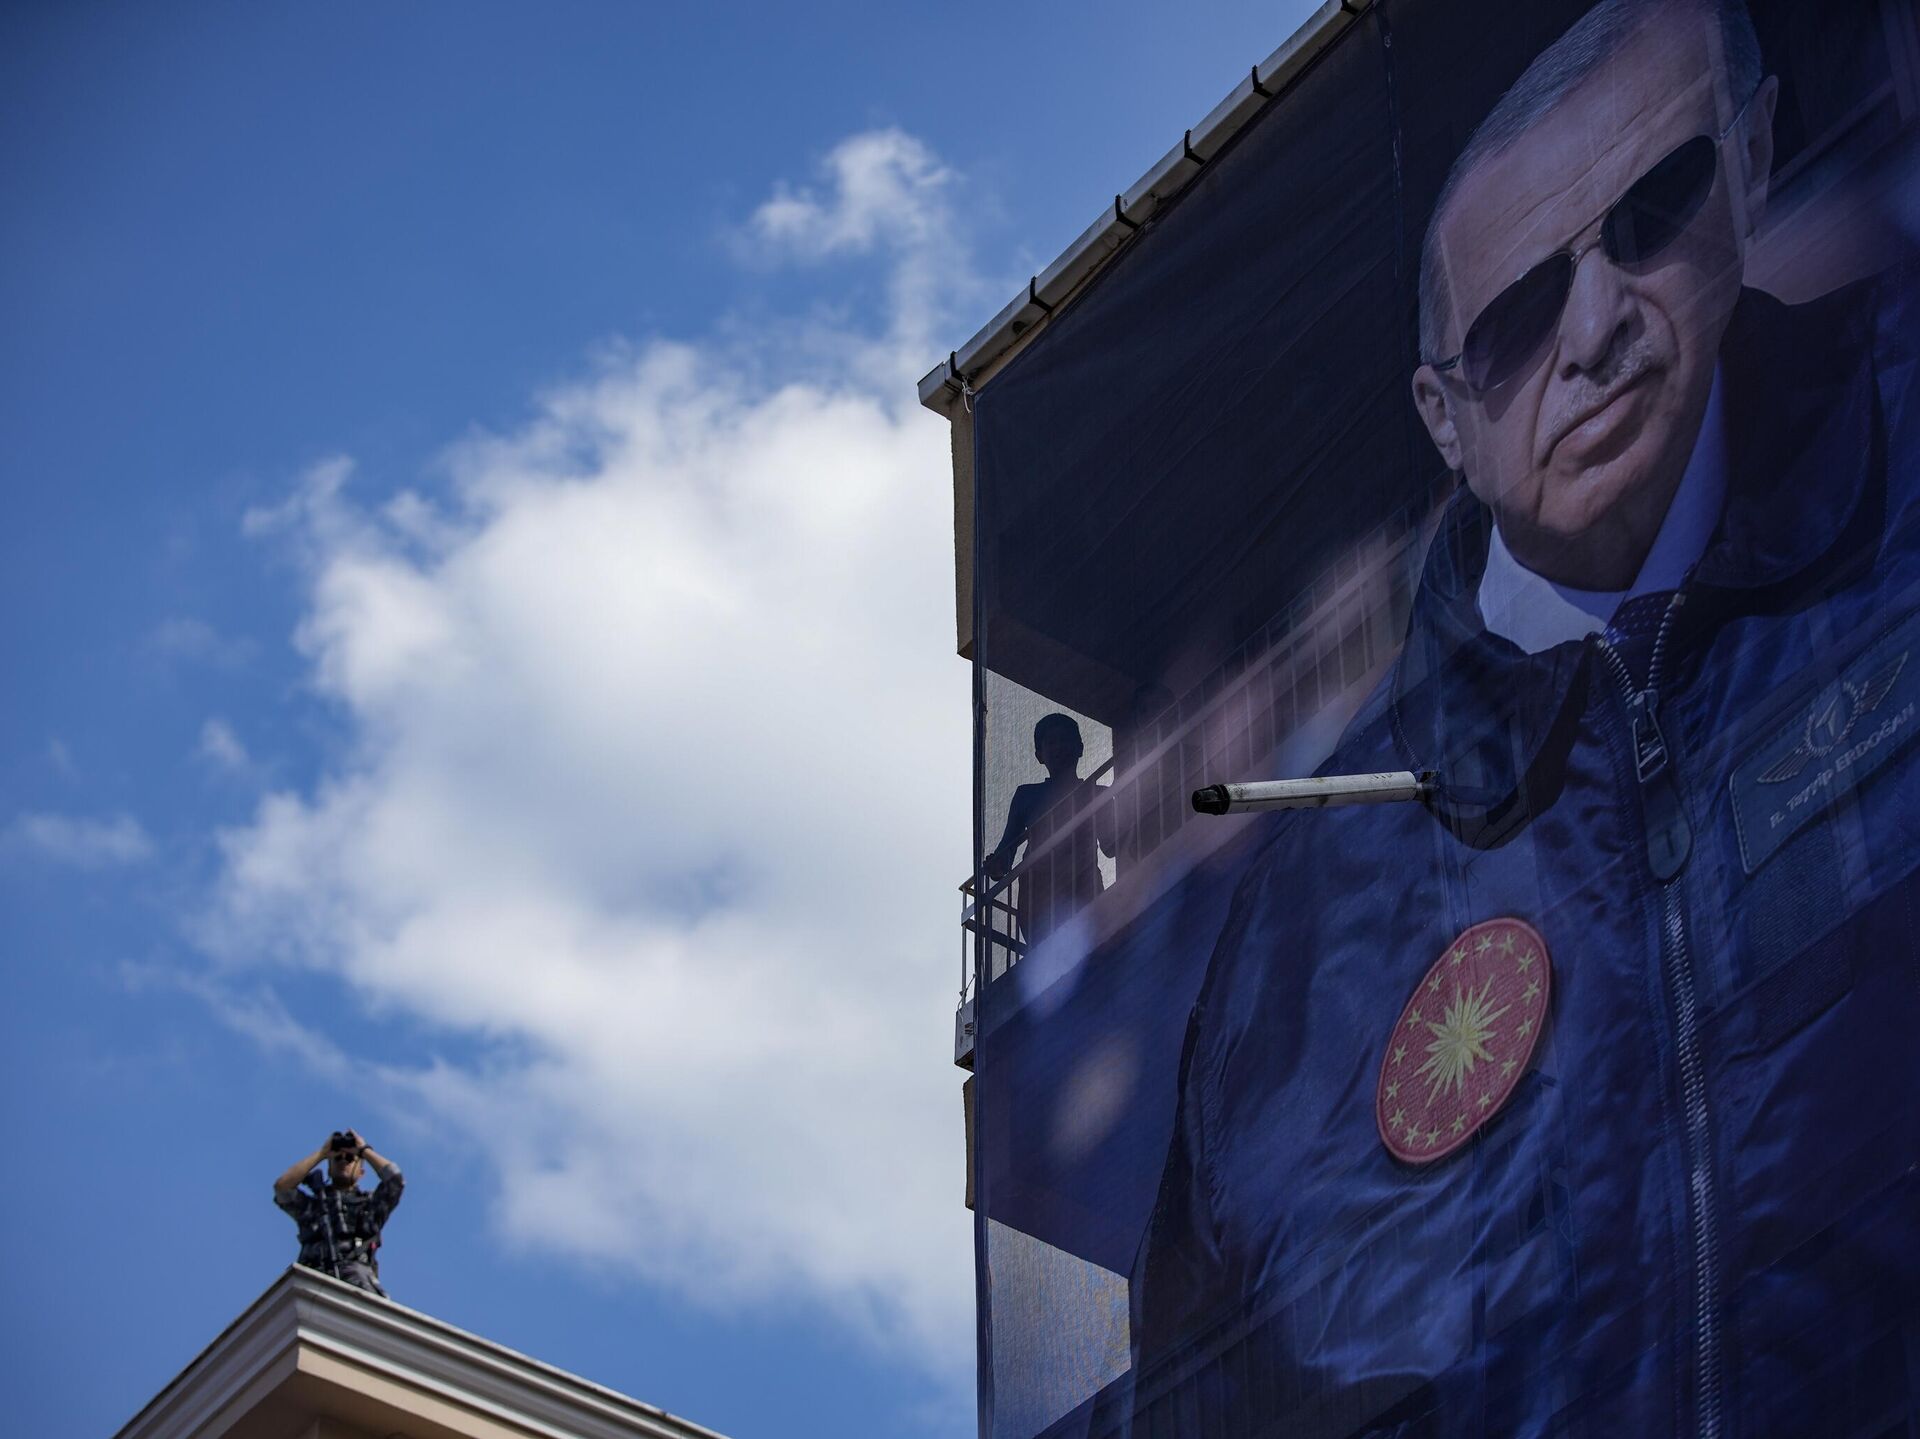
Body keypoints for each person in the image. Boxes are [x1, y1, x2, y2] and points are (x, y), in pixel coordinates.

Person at [1128, 2, 1920, 1435]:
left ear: (1750, 163)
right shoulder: (1292, 945)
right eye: (1517, 319)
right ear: (1443, 416)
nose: (1596, 327)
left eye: (1653, 212)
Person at [984, 713, 1114, 944]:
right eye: (1052, 742)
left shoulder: (1098, 794)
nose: (1059, 747)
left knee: (1090, 951)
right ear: (1039, 755)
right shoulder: (1027, 795)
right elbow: (1007, 849)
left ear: (1079, 748)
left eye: (1065, 740)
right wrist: (996, 866)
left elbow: (1111, 845)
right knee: (1049, 953)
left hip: (1084, 888)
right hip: (1038, 896)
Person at [273, 1129, 405, 1297]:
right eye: (337, 1158)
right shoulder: (314, 1206)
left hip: (356, 1277)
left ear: (361, 1173)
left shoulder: (369, 1206)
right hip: (312, 1276)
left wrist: (363, 1150)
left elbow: (395, 1181)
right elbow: (282, 1188)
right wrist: (322, 1153)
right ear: (329, 1169)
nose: (343, 1161)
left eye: (350, 1158)